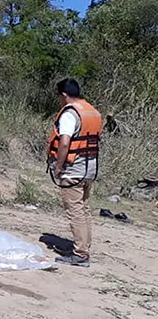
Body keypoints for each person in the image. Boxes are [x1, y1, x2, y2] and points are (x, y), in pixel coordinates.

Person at [47, 78, 102, 267]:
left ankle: (80, 254)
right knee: (84, 208)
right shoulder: (92, 111)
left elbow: (64, 142)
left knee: (75, 211)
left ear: (63, 95)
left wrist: (59, 166)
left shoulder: (70, 114)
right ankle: (84, 248)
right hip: (90, 167)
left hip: (73, 168)